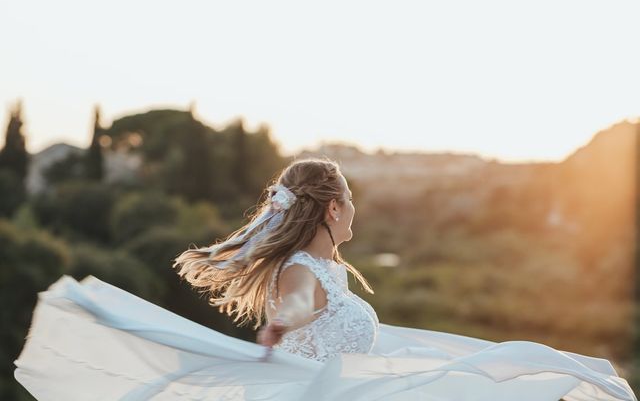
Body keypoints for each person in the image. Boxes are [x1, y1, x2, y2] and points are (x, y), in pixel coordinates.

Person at [13, 158, 637, 400]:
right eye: (352, 201)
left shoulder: (327, 269)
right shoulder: (304, 273)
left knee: (499, 366)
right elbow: (297, 306)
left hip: (355, 390)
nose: (357, 211)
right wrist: (284, 321)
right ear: (333, 209)